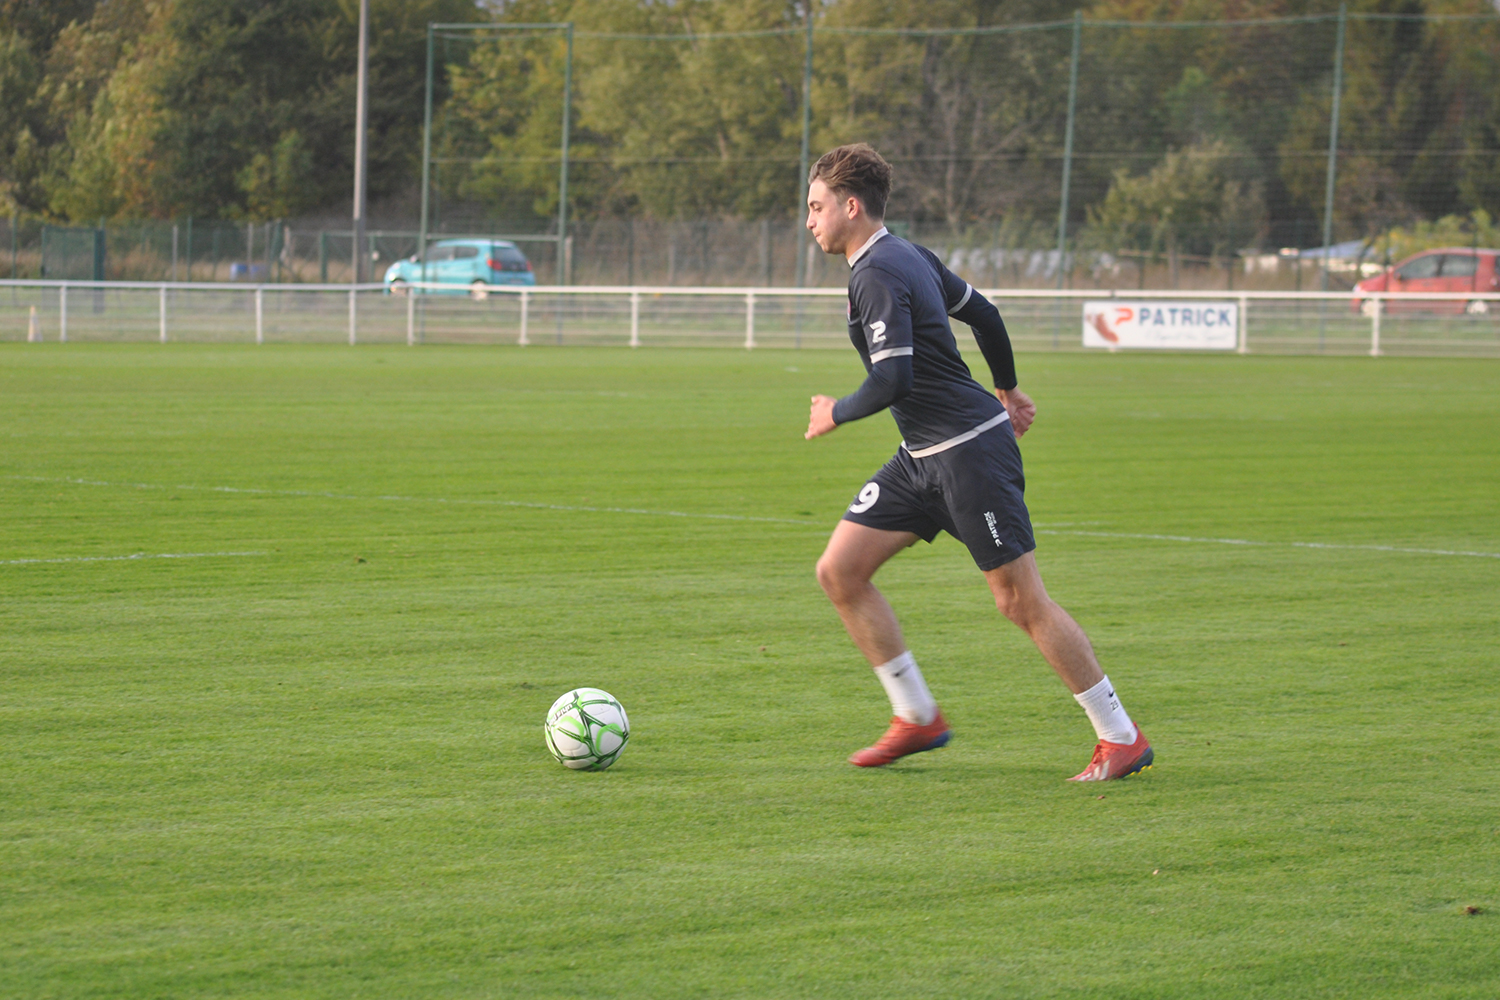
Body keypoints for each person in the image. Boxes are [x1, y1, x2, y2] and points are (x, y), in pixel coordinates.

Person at [802, 143, 1153, 781]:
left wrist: (837, 412)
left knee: (1021, 601)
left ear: (850, 207)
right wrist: (1009, 386)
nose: (810, 220)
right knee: (840, 570)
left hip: (967, 454)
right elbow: (984, 315)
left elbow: (893, 379)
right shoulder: (907, 253)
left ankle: (1121, 736)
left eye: (816, 206)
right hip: (923, 456)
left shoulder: (878, 271)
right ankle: (916, 717)